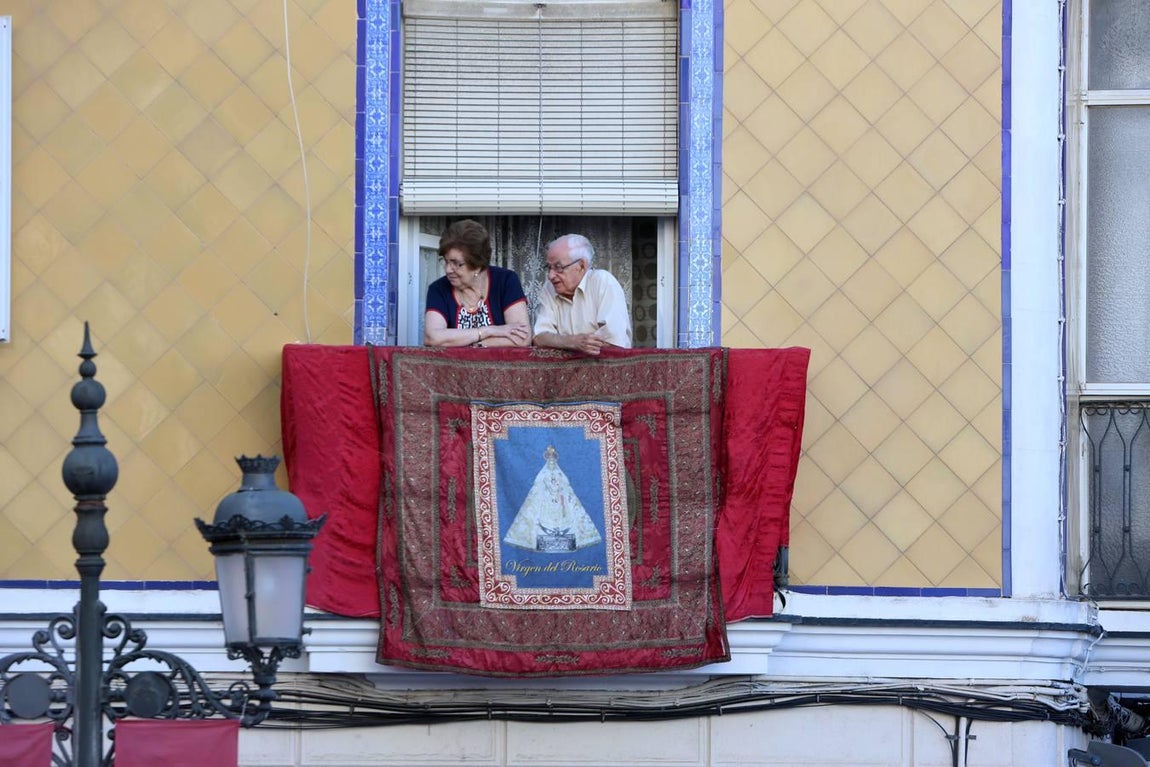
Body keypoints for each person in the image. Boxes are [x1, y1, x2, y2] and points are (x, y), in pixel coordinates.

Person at [424, 219, 531, 347]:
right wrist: (486, 331)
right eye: (446, 261)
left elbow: (522, 337)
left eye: (456, 263)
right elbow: (432, 338)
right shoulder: (438, 289)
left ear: (477, 266)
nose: (448, 270)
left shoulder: (506, 281)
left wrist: (476, 345)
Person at [532, 234, 632, 355]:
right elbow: (539, 337)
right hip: (565, 366)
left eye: (558, 267)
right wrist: (572, 342)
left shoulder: (603, 282)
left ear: (581, 266)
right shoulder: (549, 288)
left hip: (607, 364)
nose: (550, 276)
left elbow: (614, 341)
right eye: (549, 267)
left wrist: (559, 342)